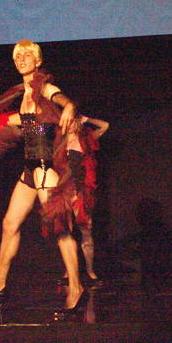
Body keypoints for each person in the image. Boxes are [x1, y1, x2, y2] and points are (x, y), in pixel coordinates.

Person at [0, 39, 83, 315]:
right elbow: (28, 121)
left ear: (37, 61)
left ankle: (76, 287)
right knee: (9, 224)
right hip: (30, 170)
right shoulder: (23, 93)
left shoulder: (44, 87)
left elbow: (60, 98)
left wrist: (69, 106)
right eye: (17, 56)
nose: (21, 59)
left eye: (27, 55)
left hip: (45, 169)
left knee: (60, 229)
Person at [59, 114, 109, 285]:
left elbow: (105, 125)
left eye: (75, 121)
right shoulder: (58, 140)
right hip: (64, 190)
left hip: (81, 190)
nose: (72, 124)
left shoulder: (85, 139)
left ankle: (90, 271)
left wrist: (86, 119)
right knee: (66, 232)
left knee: (86, 231)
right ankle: (68, 271)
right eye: (70, 121)